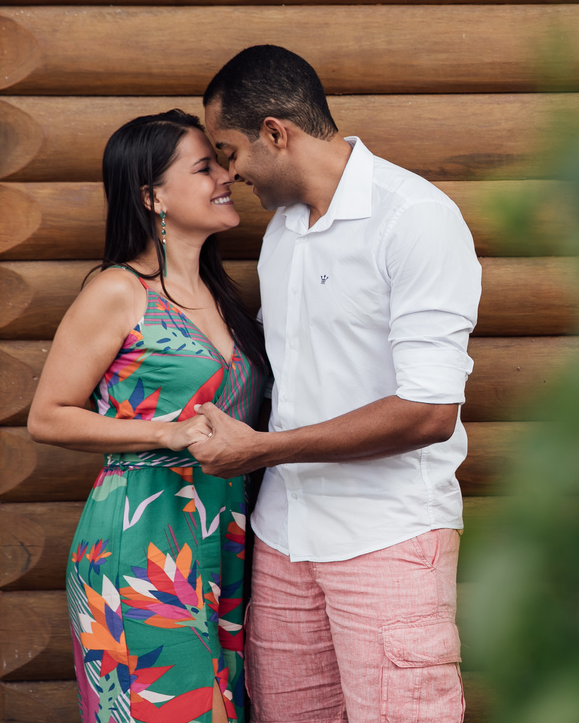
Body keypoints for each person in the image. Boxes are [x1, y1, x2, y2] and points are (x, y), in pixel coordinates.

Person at [190, 45, 481, 723]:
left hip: (386, 535)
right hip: (285, 539)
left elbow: (429, 412)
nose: (229, 176)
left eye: (229, 153)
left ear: (276, 133)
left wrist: (260, 449)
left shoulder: (414, 218)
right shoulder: (284, 231)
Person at [27, 110, 266, 723]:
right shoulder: (117, 291)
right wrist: (165, 431)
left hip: (222, 538)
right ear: (153, 195)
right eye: (204, 167)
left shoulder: (222, 296)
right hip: (143, 538)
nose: (225, 176)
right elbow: (48, 416)